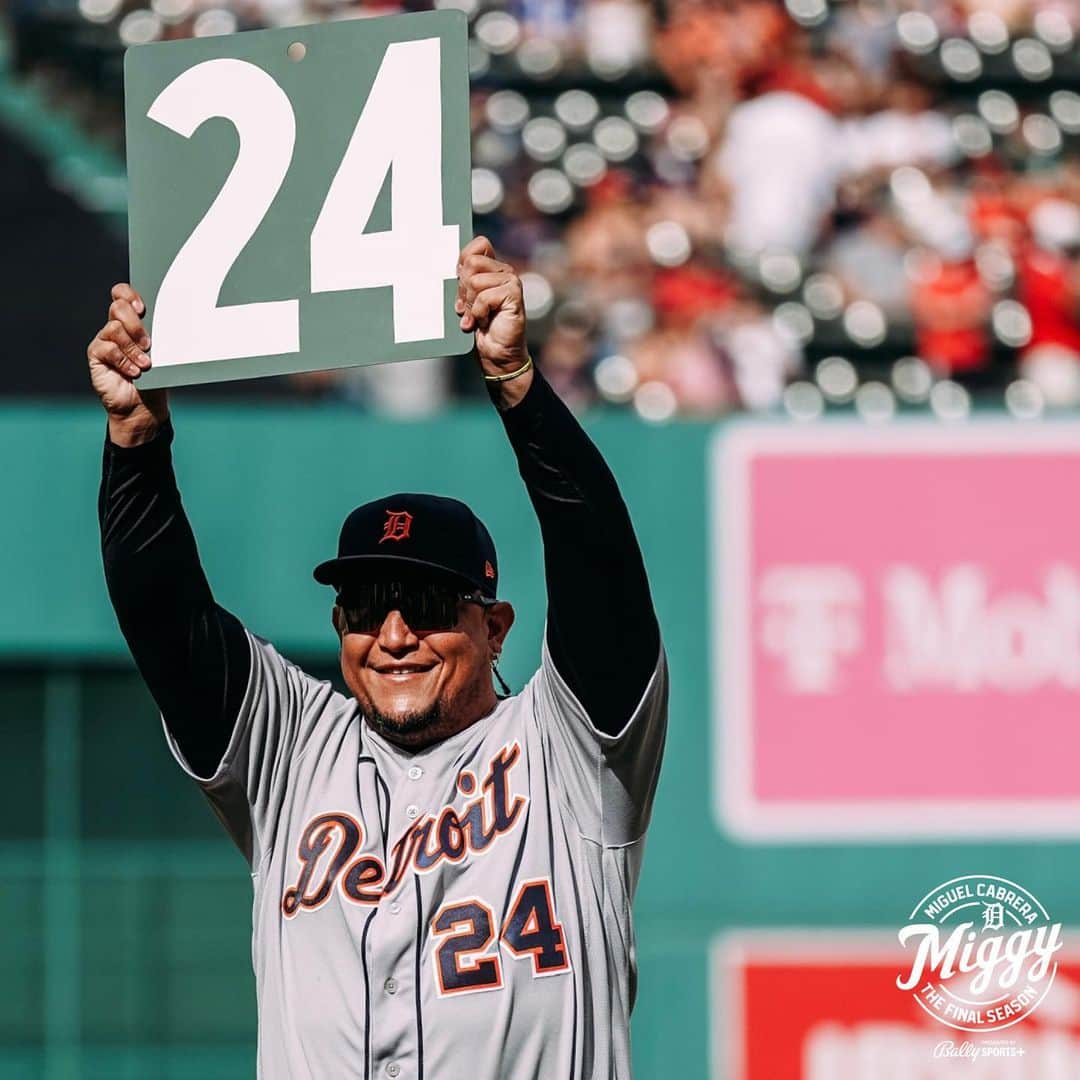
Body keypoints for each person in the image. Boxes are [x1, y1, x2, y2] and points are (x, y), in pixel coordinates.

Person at [91, 236, 668, 1079]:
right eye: (367, 608)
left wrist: (518, 389)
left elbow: (601, 567)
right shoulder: (290, 750)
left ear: (495, 626)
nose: (394, 635)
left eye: (429, 606)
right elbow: (161, 613)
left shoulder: (569, 754)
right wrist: (136, 446)